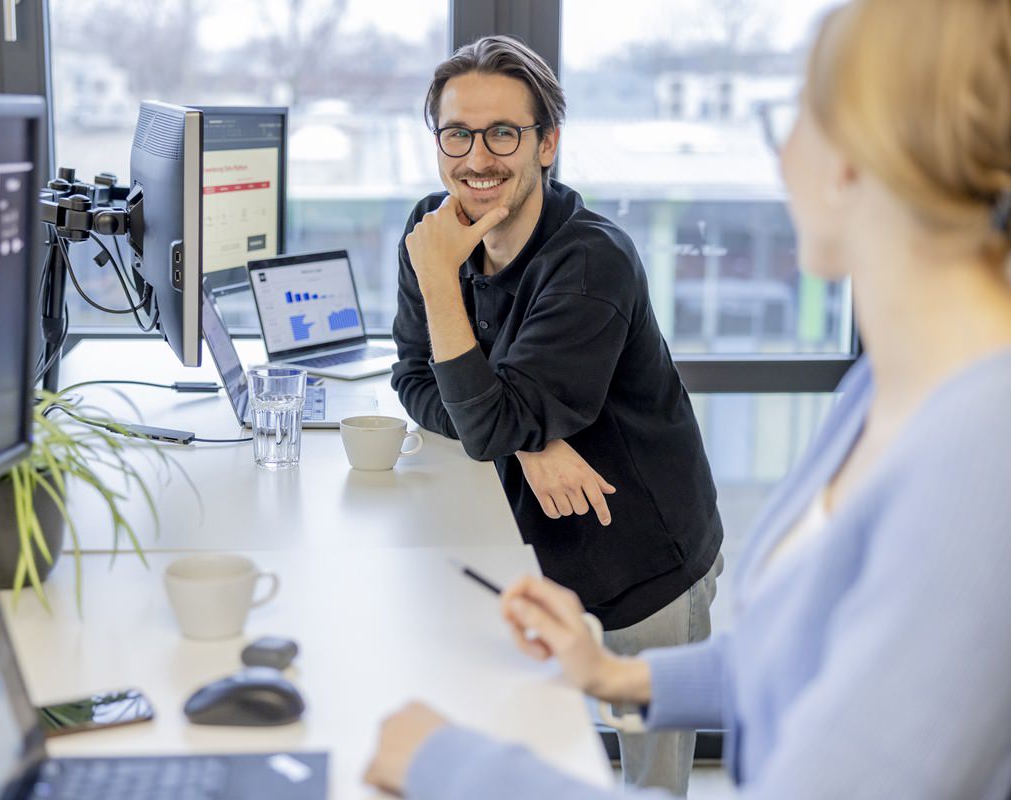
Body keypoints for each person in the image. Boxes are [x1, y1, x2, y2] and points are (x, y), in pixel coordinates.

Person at [365, 0, 1011, 797]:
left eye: (799, 119)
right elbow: (803, 653)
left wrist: (448, 765)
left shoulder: (981, 452)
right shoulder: (882, 387)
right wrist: (620, 677)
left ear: (860, 161)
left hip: (640, 558)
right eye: (457, 134)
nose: (781, 161)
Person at [390, 35, 724, 794]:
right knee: (538, 741)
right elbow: (411, 377)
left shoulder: (589, 261)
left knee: (650, 777)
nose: (478, 157)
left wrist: (445, 291)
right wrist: (525, 441)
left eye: (505, 133)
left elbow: (485, 420)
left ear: (547, 145)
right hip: (531, 552)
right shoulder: (431, 228)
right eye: (457, 133)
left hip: (642, 560)